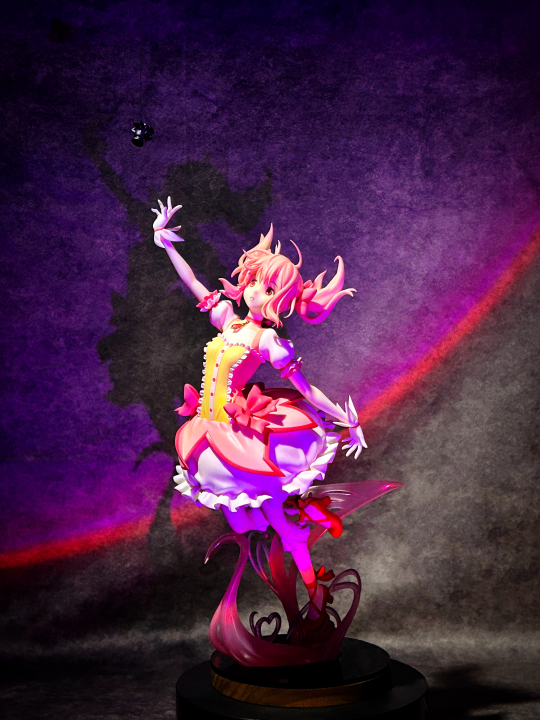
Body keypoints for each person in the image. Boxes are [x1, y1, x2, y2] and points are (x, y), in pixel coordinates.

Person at [152, 197, 367, 629]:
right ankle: (303, 516)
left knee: (278, 524)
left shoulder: (268, 342)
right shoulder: (227, 320)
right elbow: (193, 281)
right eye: (254, 281)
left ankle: (312, 581)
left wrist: (350, 420)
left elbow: (306, 388)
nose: (255, 291)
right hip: (208, 430)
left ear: (281, 301)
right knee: (243, 519)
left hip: (238, 437)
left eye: (269, 290)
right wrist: (166, 243)